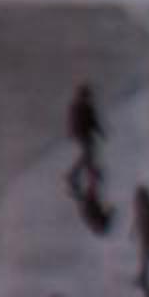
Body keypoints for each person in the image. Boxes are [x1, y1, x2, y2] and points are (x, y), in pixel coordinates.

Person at [64, 82, 113, 233]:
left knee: (89, 153)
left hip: (84, 134)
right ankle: (76, 174)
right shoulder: (79, 106)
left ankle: (88, 172)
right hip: (83, 134)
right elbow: (83, 122)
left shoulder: (80, 106)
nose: (90, 97)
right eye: (88, 95)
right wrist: (97, 132)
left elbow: (91, 120)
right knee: (88, 153)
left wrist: (99, 131)